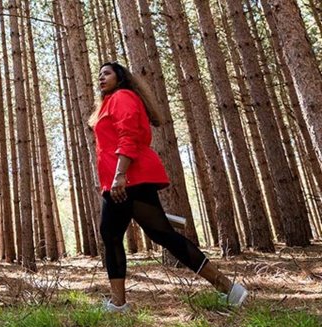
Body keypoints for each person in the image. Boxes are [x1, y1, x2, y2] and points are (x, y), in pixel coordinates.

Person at [89, 61, 247, 313]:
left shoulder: (123, 97)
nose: (101, 77)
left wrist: (120, 175)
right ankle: (119, 303)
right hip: (118, 182)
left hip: (130, 178)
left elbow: (128, 135)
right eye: (99, 75)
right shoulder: (107, 103)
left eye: (106, 73)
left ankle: (228, 288)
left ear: (120, 78)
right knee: (120, 235)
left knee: (151, 235)